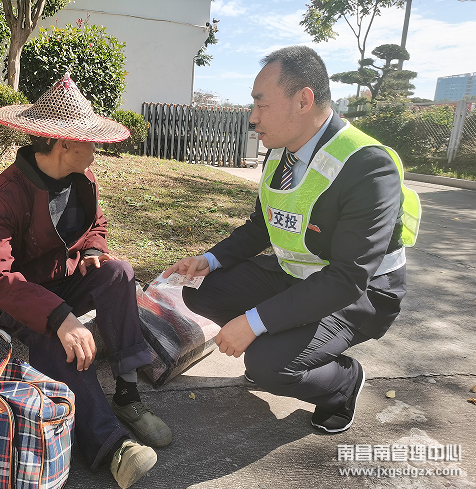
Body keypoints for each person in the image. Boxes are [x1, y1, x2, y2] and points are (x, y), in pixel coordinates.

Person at [164, 46, 421, 433]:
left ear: (303, 100)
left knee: (267, 365)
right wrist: (209, 260)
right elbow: (261, 225)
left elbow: (348, 278)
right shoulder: (280, 151)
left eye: (261, 104)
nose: (253, 117)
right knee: (202, 289)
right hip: (298, 276)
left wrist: (253, 323)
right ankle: (282, 343)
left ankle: (342, 384)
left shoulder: (368, 166)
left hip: (360, 294)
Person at [0, 73, 172, 489]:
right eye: (90, 141)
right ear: (64, 143)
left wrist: (94, 250)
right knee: (53, 338)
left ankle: (128, 394)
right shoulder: (3, 193)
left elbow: (96, 223)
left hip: (64, 280)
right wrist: (59, 316)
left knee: (119, 273)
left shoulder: (84, 177)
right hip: (20, 299)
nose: (96, 149)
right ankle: (112, 446)